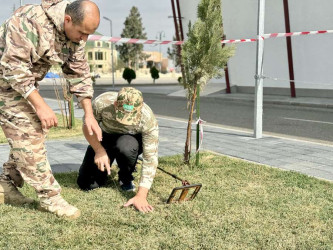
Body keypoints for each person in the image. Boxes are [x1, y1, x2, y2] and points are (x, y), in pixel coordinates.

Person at [0, 0, 102, 219]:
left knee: (36, 129)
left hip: (19, 85)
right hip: (6, 82)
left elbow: (79, 73)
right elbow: (13, 68)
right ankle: (50, 197)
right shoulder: (28, 21)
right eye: (83, 33)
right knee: (29, 132)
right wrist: (41, 105)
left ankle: (6, 185)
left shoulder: (74, 33)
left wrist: (89, 114)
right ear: (67, 20)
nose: (84, 39)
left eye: (89, 35)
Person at [77, 87, 159, 213]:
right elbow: (87, 127)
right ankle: (105, 158)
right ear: (115, 104)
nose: (126, 121)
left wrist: (141, 196)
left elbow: (150, 158)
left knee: (125, 147)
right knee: (87, 184)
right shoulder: (102, 103)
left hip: (129, 141)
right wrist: (98, 150)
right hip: (105, 138)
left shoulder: (148, 118)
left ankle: (125, 177)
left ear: (141, 107)